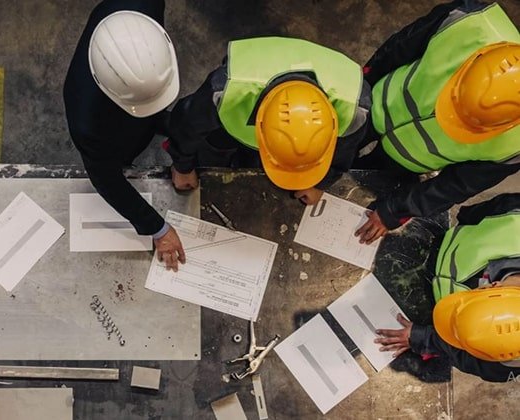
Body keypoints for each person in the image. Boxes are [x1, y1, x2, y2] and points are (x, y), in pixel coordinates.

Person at [354, 0, 520, 245]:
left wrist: (393, 212)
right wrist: (361, 89)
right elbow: (399, 47)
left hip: (406, 159)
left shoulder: (514, 147)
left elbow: (454, 186)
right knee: (339, 146)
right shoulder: (469, 21)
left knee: (363, 178)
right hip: (377, 101)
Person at [165, 36, 372, 205]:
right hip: (227, 127)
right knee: (212, 157)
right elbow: (186, 125)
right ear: (258, 124)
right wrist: (183, 167)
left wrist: (319, 183)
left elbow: (343, 152)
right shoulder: (226, 91)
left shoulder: (355, 107)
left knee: (254, 169)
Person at [63, 1, 185, 271]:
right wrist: (158, 229)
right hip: (115, 135)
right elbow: (107, 180)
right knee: (122, 155)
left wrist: (182, 156)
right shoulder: (87, 122)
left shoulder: (145, 5)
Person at [375, 194, 520, 382]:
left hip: (430, 301)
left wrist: (424, 338)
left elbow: (469, 358)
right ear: (492, 285)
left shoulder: (508, 359)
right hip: (437, 243)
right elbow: (475, 214)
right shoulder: (515, 217)